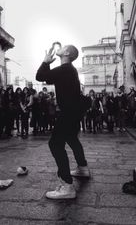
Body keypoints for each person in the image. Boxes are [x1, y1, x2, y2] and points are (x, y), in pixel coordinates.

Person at [36, 44, 90, 199]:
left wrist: (46, 61)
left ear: (66, 53)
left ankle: (67, 186)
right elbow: (47, 79)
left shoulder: (65, 69)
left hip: (68, 112)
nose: (60, 48)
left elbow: (40, 77)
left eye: (63, 47)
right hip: (74, 112)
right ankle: (82, 167)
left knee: (55, 144)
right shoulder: (69, 70)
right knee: (71, 138)